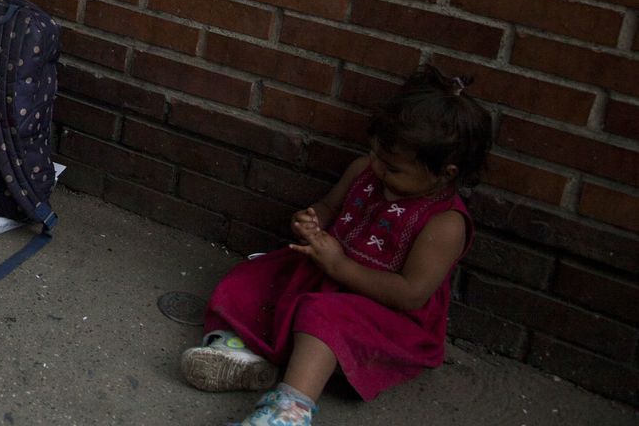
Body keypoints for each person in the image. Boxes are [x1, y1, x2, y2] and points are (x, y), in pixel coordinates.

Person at [180, 67, 492, 425]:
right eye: (374, 154)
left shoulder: (445, 223)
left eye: (391, 167)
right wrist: (311, 221)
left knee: (324, 316)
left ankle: (289, 410)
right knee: (260, 273)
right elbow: (329, 207)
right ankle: (240, 353)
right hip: (327, 274)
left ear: (445, 172)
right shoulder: (365, 170)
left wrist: (340, 265)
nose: (376, 167)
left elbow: (411, 295)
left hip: (380, 315)